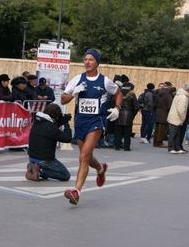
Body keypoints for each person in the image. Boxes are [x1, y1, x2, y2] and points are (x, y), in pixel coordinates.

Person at [60, 48, 122, 205]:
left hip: (97, 123)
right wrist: (74, 93)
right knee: (86, 157)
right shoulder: (77, 79)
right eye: (85, 59)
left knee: (83, 156)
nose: (87, 62)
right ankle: (100, 168)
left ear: (97, 62)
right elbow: (62, 100)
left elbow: (118, 93)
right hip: (80, 123)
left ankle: (76, 191)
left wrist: (117, 108)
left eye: (91, 59)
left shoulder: (104, 81)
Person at [25, 103, 71, 182]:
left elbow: (52, 128)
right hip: (44, 160)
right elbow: (67, 138)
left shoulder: (37, 122)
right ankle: (40, 172)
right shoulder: (50, 127)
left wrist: (61, 121)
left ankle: (35, 168)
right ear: (56, 116)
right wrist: (66, 123)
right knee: (65, 175)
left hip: (32, 157)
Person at [114, 82, 139, 151]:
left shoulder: (118, 94)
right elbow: (136, 106)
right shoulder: (132, 95)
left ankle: (117, 146)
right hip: (128, 114)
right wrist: (132, 114)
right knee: (127, 133)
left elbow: (113, 103)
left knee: (117, 132)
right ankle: (126, 147)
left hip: (118, 114)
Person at [167, 83, 189, 154]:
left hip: (175, 116)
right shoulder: (183, 97)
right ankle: (171, 147)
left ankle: (177, 147)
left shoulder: (179, 95)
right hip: (177, 117)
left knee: (177, 133)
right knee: (173, 133)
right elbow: (181, 110)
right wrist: (183, 118)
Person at [153, 82, 174, 148]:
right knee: (163, 129)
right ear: (169, 86)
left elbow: (155, 103)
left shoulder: (159, 93)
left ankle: (155, 142)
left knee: (157, 128)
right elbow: (169, 105)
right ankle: (159, 142)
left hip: (158, 111)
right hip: (164, 113)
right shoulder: (168, 94)